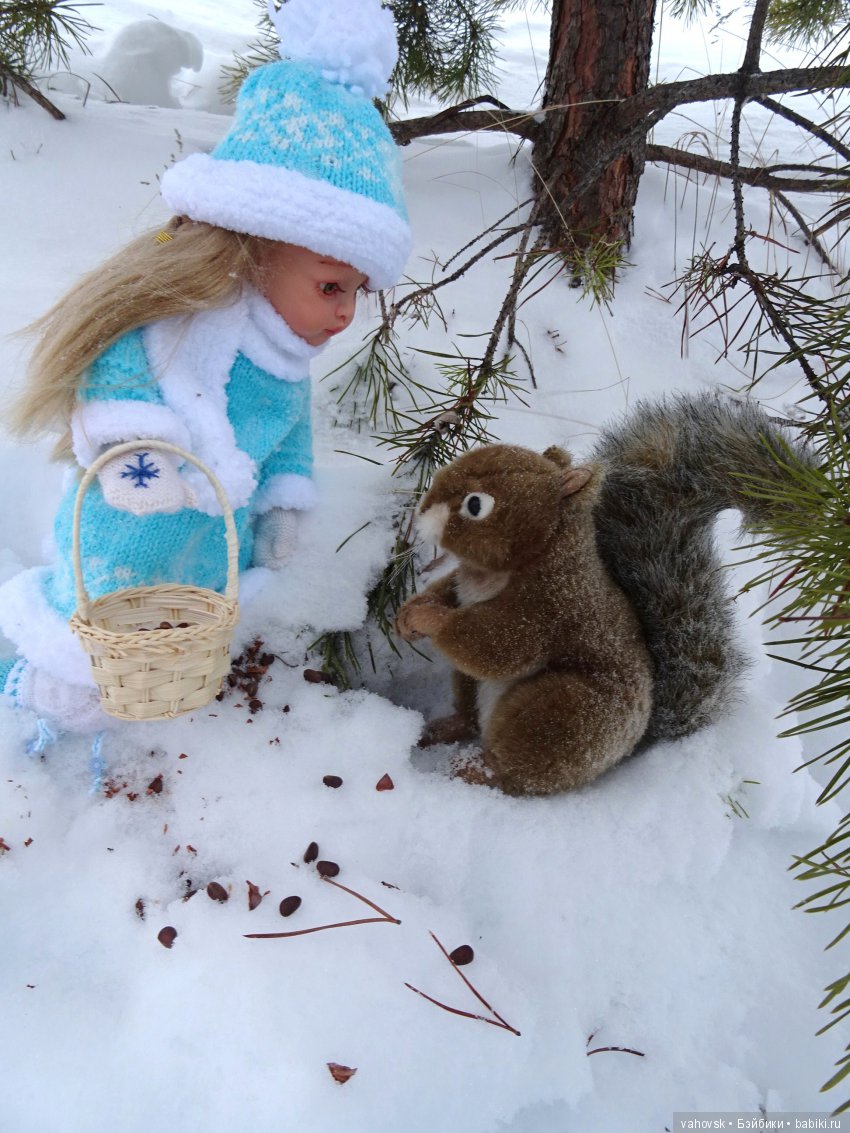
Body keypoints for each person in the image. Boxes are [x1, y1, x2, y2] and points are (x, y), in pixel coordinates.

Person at [0, 0, 412, 734]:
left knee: (175, 629)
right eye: (330, 286)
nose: (346, 314)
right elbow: (114, 371)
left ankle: (153, 697)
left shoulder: (284, 360)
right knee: (95, 619)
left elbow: (287, 436)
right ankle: (42, 692)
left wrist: (286, 498)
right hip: (125, 519)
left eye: (356, 293)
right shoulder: (179, 319)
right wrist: (141, 451)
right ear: (260, 245)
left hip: (210, 543)